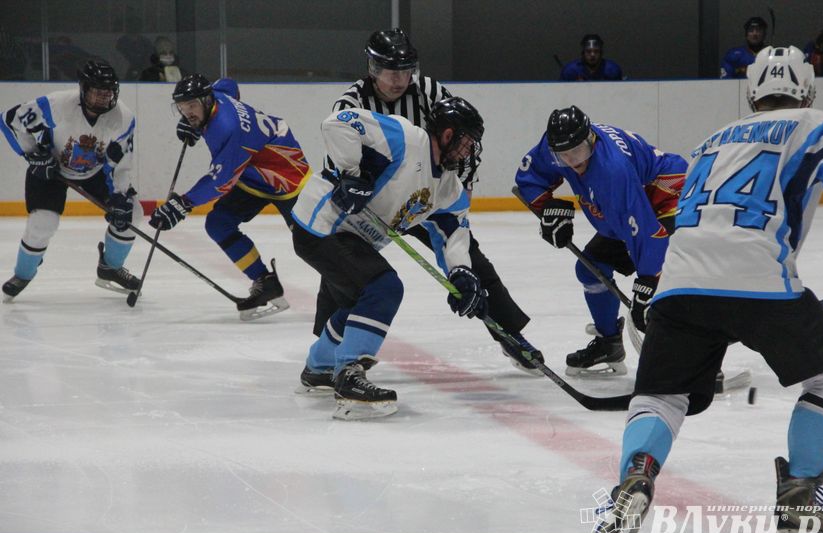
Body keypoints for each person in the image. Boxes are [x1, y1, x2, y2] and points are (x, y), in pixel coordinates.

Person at [592, 46, 823, 533]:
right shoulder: (813, 123)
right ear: (807, 89)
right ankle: (800, 505)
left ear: (753, 92)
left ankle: (635, 477)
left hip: (679, 281)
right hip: (760, 279)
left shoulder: (713, 140)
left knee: (662, 396)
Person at [323, 27, 542, 375]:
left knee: (469, 259)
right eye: (390, 71)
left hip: (426, 195)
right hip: (378, 201)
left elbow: (464, 138)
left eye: (405, 70)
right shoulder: (352, 102)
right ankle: (326, 347)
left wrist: (460, 191)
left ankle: (509, 333)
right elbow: (337, 150)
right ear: (372, 69)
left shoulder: (428, 91)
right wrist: (349, 182)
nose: (399, 80)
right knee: (343, 268)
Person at [291, 97, 487, 420]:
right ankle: (348, 375)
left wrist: (461, 272)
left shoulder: (448, 187)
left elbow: (452, 233)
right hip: (323, 224)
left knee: (360, 304)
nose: (468, 153)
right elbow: (338, 123)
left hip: (349, 237)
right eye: (466, 143)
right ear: (448, 134)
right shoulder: (406, 139)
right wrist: (350, 173)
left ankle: (320, 367)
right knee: (384, 287)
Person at [515, 106, 686, 376]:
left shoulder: (611, 170)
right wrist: (548, 209)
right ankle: (609, 343)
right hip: (631, 202)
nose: (573, 161)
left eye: (578, 152)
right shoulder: (558, 144)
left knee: (668, 279)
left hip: (669, 196)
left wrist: (649, 283)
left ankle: (695, 352)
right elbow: (530, 176)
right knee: (590, 268)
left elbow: (644, 231)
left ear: (591, 138)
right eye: (564, 156)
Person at [149, 74, 311, 320]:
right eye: (182, 108)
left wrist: (183, 204)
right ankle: (264, 282)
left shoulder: (227, 128)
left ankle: (350, 288)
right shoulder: (217, 96)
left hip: (287, 177)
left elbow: (220, 182)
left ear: (205, 101)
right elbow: (228, 84)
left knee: (311, 245)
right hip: (253, 173)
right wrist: (195, 123)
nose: (187, 112)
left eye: (191, 106)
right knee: (218, 223)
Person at [2, 60, 142, 302]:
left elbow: (120, 163)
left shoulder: (123, 117)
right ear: (83, 89)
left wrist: (119, 196)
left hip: (96, 172)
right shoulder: (57, 104)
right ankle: (23, 274)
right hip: (50, 169)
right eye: (97, 92)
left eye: (107, 93)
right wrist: (34, 156)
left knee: (132, 213)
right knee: (43, 223)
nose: (102, 98)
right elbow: (9, 120)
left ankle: (110, 266)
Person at [559, 34, 624, 82]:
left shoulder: (612, 70)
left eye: (596, 51)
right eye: (588, 51)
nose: (592, 55)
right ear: (583, 53)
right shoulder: (570, 70)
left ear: (601, 53)